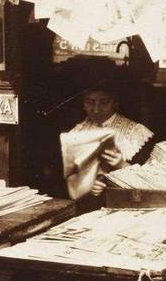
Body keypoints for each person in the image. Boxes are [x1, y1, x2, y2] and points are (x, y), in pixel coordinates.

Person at [66, 64, 154, 196]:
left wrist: (121, 164)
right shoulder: (75, 132)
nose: (96, 109)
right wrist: (85, 185)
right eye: (90, 102)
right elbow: (69, 177)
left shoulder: (136, 134)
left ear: (115, 102)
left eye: (104, 102)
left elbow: (149, 182)